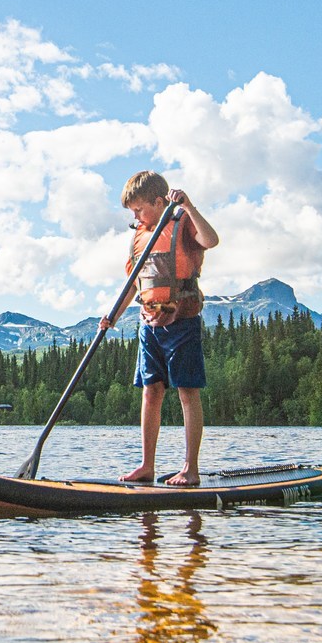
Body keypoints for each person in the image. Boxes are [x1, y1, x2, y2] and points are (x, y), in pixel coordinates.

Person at [99, 170, 219, 486]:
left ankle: (190, 469)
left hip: (182, 321)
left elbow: (211, 240)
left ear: (158, 201)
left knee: (186, 392)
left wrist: (190, 206)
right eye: (132, 212)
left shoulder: (181, 221)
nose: (136, 216)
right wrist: (112, 316)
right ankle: (146, 466)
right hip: (148, 324)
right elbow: (132, 285)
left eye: (139, 209)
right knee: (151, 393)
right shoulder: (138, 237)